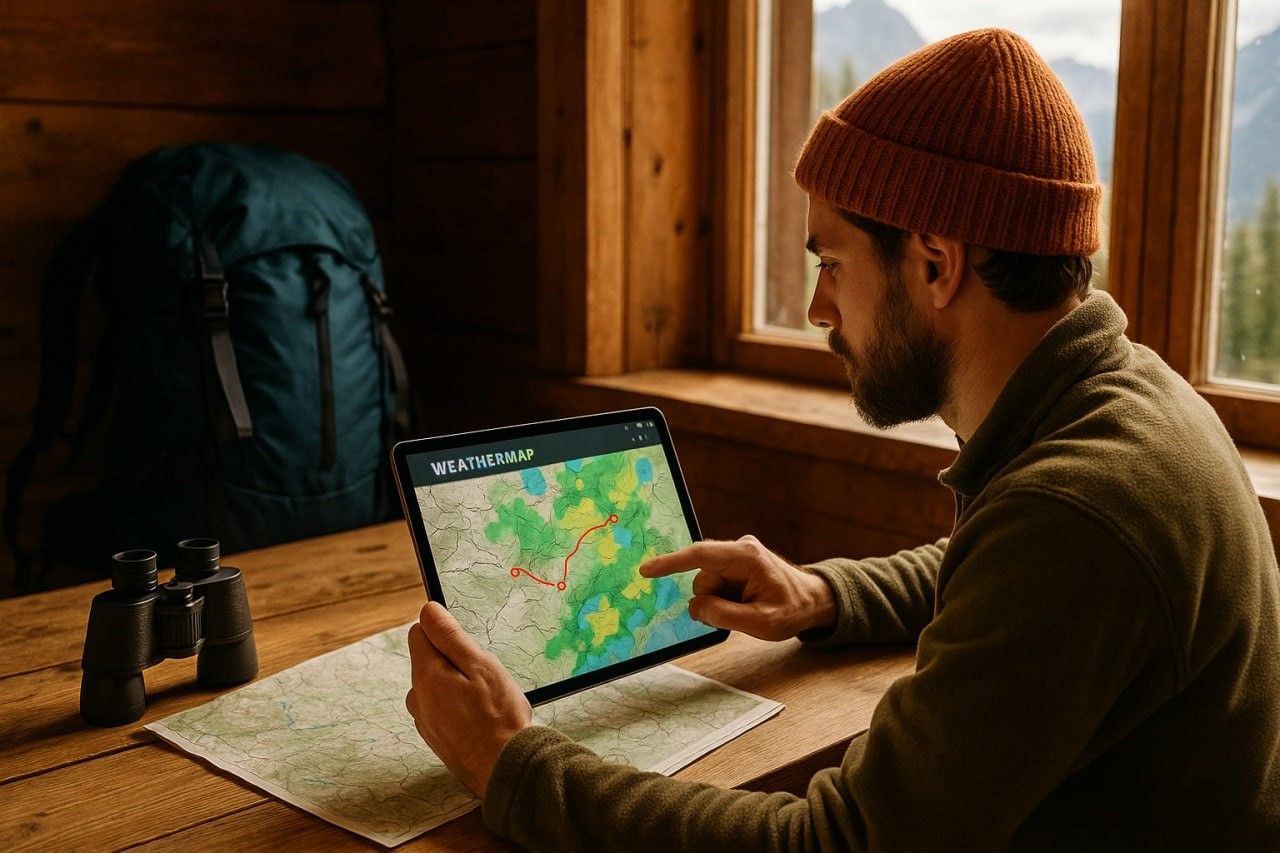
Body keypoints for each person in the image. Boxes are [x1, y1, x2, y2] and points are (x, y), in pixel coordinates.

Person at [405, 28, 1280, 849]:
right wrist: (821, 594)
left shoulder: (1078, 510)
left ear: (936, 263)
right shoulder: (1130, 403)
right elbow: (995, 571)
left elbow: (838, 842)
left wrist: (511, 762)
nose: (818, 308)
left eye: (831, 263)